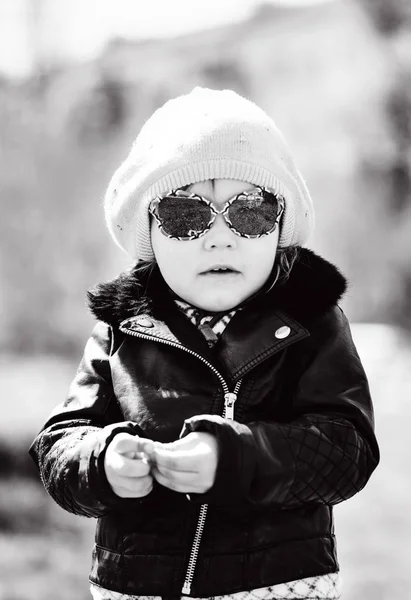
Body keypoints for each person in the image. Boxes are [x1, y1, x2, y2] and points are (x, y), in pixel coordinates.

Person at [30, 87, 380, 600]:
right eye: (185, 215)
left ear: (279, 227)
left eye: (251, 212)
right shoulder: (120, 329)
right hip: (138, 585)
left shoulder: (312, 323)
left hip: (277, 584)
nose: (220, 237)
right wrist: (100, 461)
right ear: (148, 231)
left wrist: (237, 458)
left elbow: (348, 449)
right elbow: (59, 443)